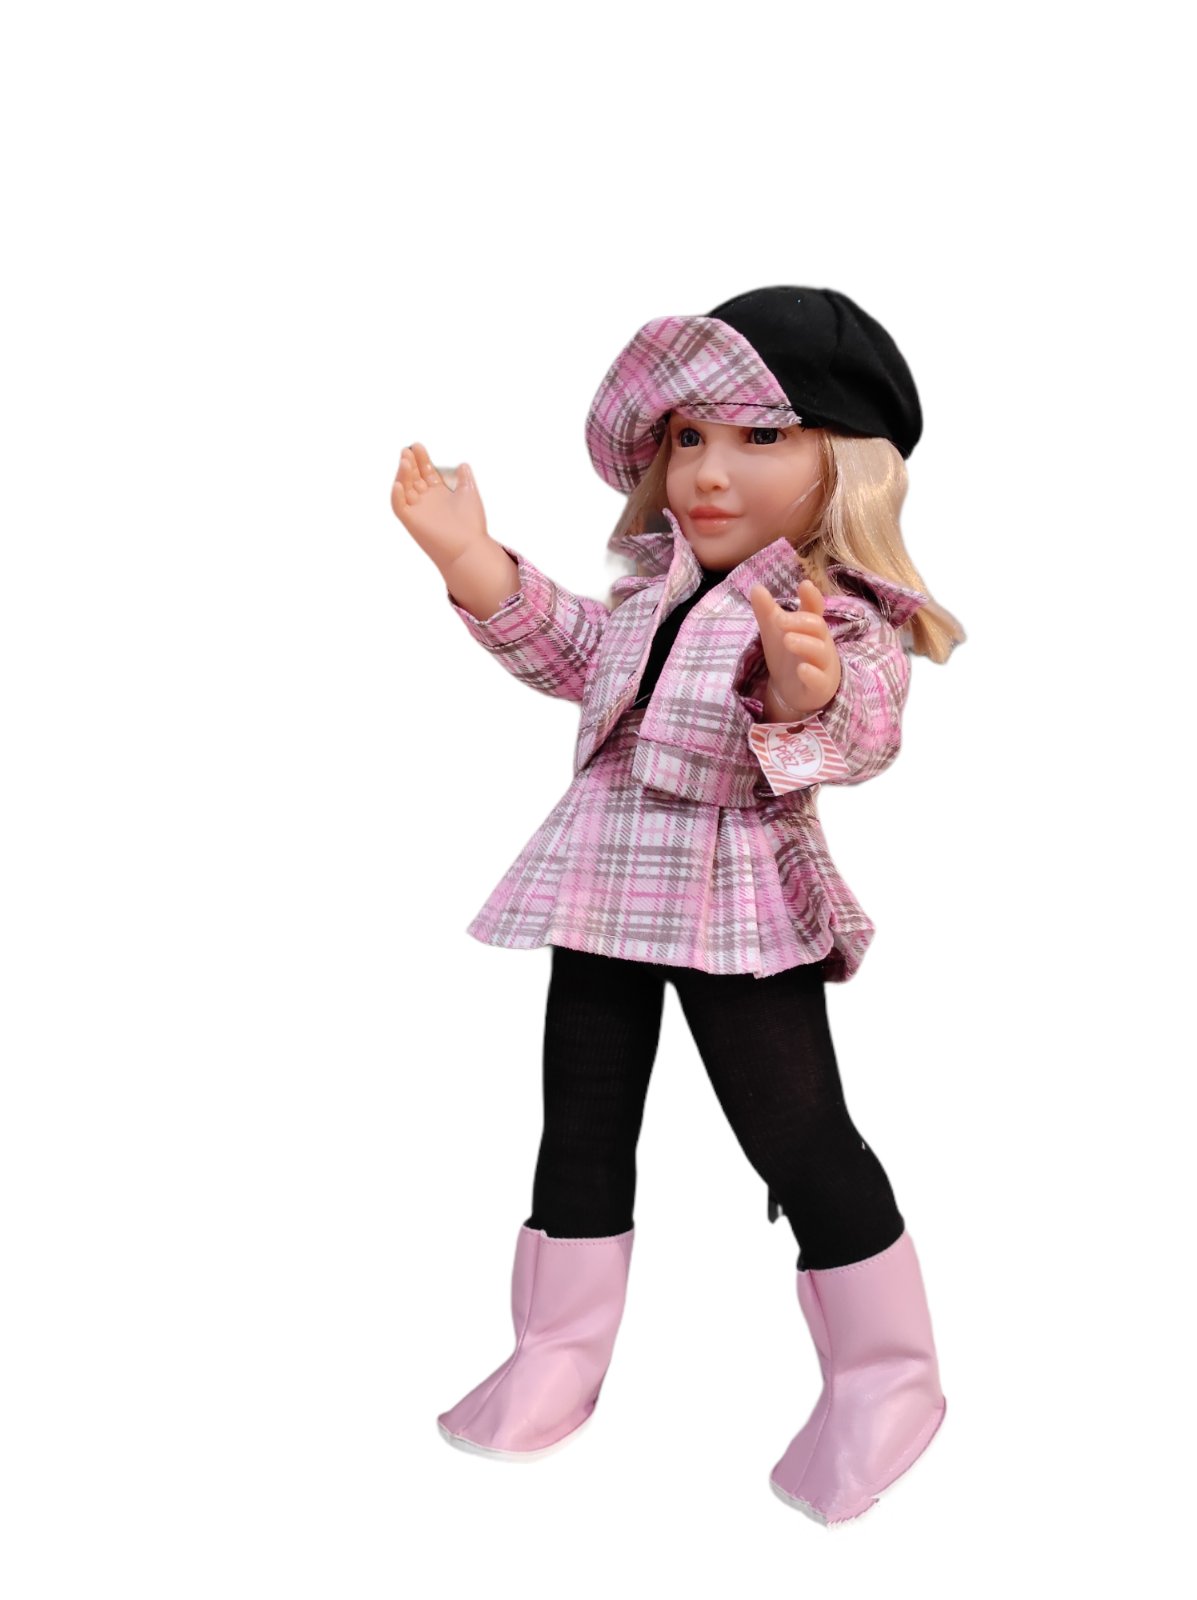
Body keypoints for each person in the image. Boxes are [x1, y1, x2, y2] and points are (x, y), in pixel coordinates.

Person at [390, 286, 965, 1525]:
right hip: (605, 880)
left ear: (843, 461)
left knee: (797, 1132)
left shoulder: (834, 607)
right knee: (581, 1120)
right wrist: (468, 557)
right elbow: (575, 651)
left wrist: (806, 689)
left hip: (733, 894)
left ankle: (887, 1375)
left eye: (761, 438)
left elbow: (865, 724)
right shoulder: (654, 588)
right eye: (689, 436)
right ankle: (556, 1351)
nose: (708, 470)